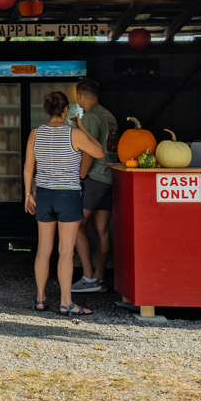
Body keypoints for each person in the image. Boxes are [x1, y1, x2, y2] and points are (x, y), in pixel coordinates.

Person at [24, 89, 108, 317]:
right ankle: (66, 303)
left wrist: (27, 194)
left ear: (46, 110)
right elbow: (99, 152)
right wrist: (82, 128)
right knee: (66, 252)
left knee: (43, 250)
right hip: (68, 196)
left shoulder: (35, 134)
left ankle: (40, 299)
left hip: (43, 194)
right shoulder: (74, 134)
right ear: (65, 110)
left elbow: (28, 166)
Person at [72, 79, 117, 292]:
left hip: (95, 178)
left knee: (76, 225)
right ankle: (99, 278)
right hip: (110, 176)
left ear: (80, 96)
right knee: (102, 230)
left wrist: (80, 177)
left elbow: (89, 152)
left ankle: (88, 278)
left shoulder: (89, 117)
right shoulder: (109, 116)